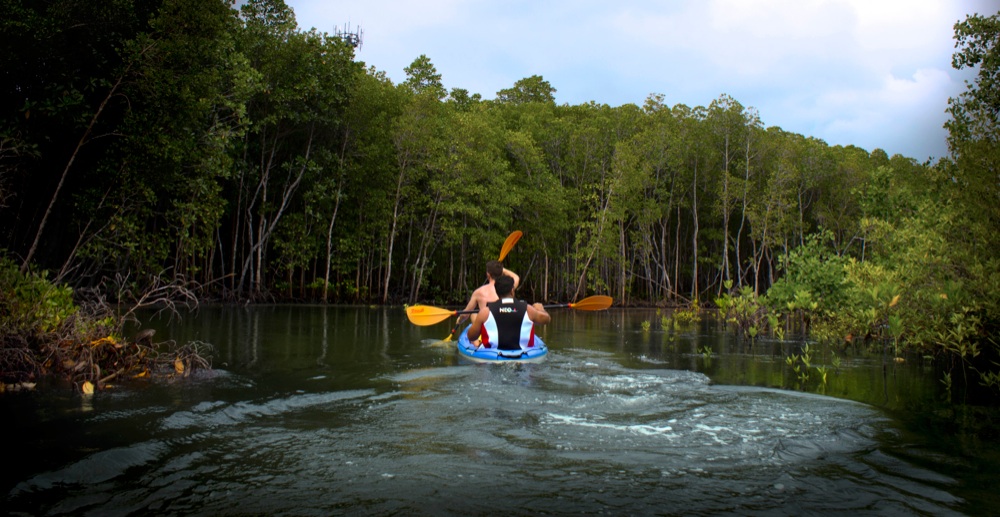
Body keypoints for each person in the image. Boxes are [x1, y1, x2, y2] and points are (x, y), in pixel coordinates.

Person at [467, 274, 550, 355]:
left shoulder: (485, 312)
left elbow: (471, 336)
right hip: (524, 357)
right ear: (512, 291)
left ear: (497, 292)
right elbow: (547, 319)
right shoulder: (528, 309)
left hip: (492, 357)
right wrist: (540, 309)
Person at [454, 260, 519, 328]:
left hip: (488, 327)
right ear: (501, 273)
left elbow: (465, 315)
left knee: (473, 314)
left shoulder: (479, 292)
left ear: (488, 274)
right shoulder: (507, 287)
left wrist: (459, 320)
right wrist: (501, 269)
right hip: (504, 324)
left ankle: (478, 333)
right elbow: (516, 277)